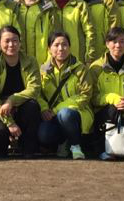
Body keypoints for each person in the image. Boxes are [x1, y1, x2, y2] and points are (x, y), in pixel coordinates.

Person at [0, 24, 41, 157]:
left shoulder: (31, 61)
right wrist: (10, 122)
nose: (11, 45)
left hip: (22, 108)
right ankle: (0, 150)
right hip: (2, 112)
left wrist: (12, 100)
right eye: (7, 41)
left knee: (32, 106)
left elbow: (34, 89)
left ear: (20, 43)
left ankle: (28, 149)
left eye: (15, 41)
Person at [89, 26, 124, 160]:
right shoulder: (96, 68)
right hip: (103, 114)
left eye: (122, 41)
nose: (118, 45)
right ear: (107, 44)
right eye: (114, 41)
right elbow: (93, 97)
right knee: (112, 110)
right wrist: (112, 98)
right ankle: (103, 150)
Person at [36, 30, 92, 159]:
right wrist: (44, 108)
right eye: (56, 45)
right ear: (49, 49)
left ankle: (76, 145)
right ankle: (64, 141)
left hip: (78, 113)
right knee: (44, 135)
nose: (61, 48)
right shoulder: (43, 70)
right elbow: (37, 93)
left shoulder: (80, 69)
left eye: (64, 44)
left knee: (65, 114)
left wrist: (56, 110)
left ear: (70, 47)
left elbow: (85, 95)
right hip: (52, 115)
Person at [14, 0, 61, 71]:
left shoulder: (48, 7)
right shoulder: (14, 7)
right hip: (19, 64)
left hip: (44, 64)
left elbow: (55, 36)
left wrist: (49, 62)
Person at [49, 0, 95, 67]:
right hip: (54, 60)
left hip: (77, 59)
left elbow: (90, 33)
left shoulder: (81, 5)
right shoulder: (48, 7)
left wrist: (89, 57)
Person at [75, 0, 115, 64]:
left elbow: (114, 27)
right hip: (76, 54)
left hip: (101, 54)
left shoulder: (107, 0)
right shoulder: (74, 1)